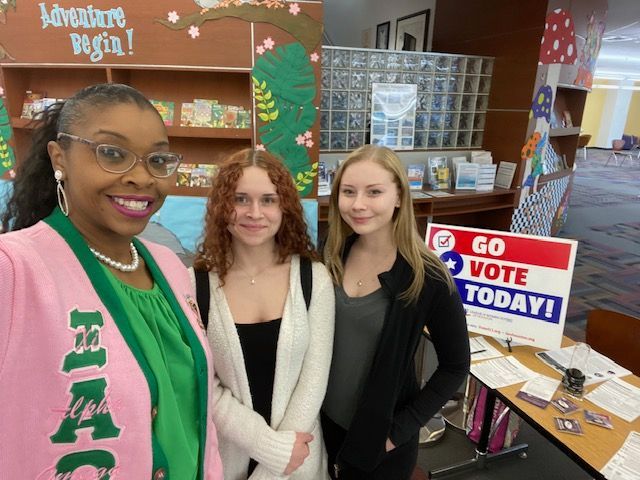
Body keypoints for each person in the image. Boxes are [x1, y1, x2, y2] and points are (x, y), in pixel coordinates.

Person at [0, 83, 223, 479]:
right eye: (113, 154)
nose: (141, 178)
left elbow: (193, 422)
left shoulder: (171, 268)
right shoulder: (15, 269)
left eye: (157, 160)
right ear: (59, 157)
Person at [322, 145, 470, 479]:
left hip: (378, 440)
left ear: (399, 197)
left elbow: (455, 366)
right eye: (348, 192)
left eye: (374, 192)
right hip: (322, 426)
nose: (358, 204)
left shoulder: (427, 276)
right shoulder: (332, 254)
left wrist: (397, 433)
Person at [192, 149, 334, 479]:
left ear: (284, 207)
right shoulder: (194, 284)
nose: (255, 213)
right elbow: (204, 383)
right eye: (240, 198)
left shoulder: (314, 279)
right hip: (224, 462)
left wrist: (274, 469)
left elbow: (313, 383)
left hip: (300, 464)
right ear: (221, 206)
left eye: (268, 200)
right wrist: (269, 448)